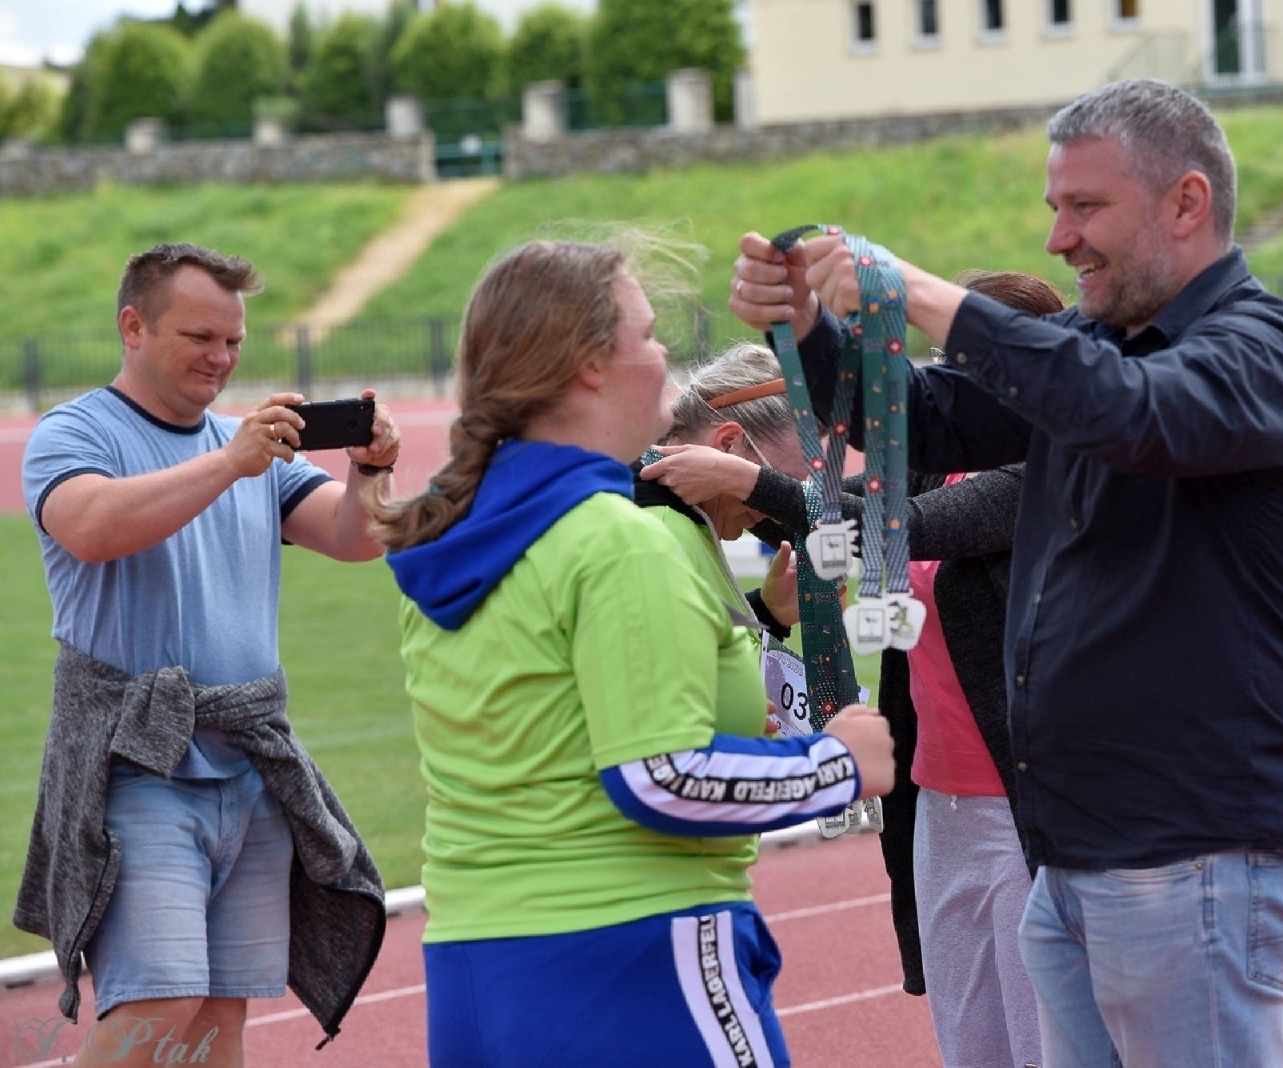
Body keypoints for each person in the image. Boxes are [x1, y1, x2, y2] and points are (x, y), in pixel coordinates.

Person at [729, 77, 1283, 1068]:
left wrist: (916, 291)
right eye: (1054, 209)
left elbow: (1129, 413)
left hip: (1189, 850)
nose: (1058, 240)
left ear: (1186, 204)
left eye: (1085, 207)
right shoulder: (1095, 346)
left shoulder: (1265, 350)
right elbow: (916, 416)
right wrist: (803, 326)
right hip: (1078, 853)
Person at [364, 235, 896, 1068]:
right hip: (632, 954)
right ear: (587, 365)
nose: (664, 364)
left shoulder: (463, 529)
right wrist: (839, 763)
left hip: (477, 961)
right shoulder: (616, 539)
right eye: (650, 338)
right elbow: (659, 776)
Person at [644, 269, 1064, 1068]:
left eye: (981, 366)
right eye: (954, 360)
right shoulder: (939, 460)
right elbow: (840, 501)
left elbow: (899, 524)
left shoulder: (1043, 469)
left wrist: (755, 482)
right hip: (939, 807)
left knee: (1048, 1041)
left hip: (1027, 805)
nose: (957, 386)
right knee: (973, 1043)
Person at [16, 242, 400, 1065]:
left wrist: (373, 472)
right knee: (160, 1003)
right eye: (199, 337)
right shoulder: (74, 431)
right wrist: (229, 462)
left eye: (232, 341)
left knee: (222, 1017)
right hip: (138, 767)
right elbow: (90, 528)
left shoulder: (247, 446)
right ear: (133, 326)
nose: (221, 359)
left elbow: (354, 537)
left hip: (248, 766)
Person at [635, 340, 809, 654]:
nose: (775, 511)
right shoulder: (658, 533)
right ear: (728, 444)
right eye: (772, 481)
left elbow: (704, 647)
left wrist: (768, 612)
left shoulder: (684, 522)